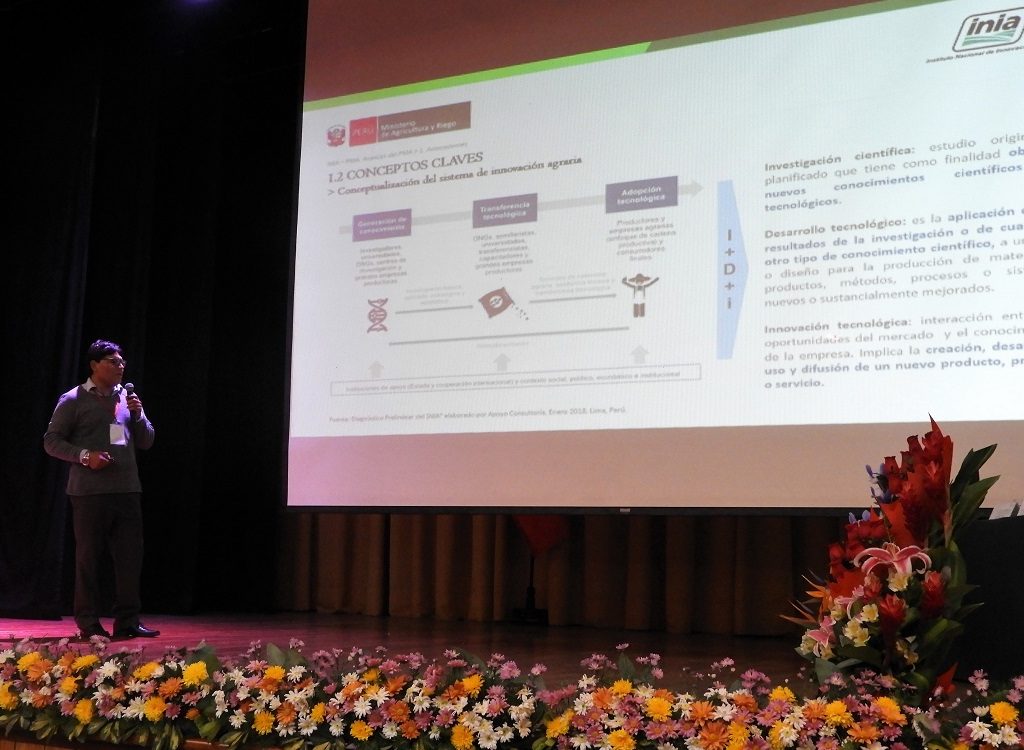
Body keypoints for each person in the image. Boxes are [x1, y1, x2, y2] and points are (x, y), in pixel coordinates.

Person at [43, 339, 160, 639]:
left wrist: (138, 414)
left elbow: (146, 441)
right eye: (113, 361)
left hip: (127, 490)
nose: (120, 366)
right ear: (94, 365)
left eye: (122, 361)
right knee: (89, 560)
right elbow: (51, 441)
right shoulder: (73, 399)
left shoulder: (127, 398)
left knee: (130, 560)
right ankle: (88, 623)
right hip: (89, 494)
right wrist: (86, 456)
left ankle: (128, 621)